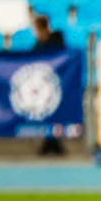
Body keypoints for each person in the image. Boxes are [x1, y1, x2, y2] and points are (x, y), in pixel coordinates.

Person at [33, 14, 68, 156]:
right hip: (44, 83)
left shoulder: (56, 37)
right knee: (46, 112)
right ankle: (49, 142)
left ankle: (55, 142)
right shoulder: (37, 44)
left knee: (56, 112)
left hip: (57, 81)